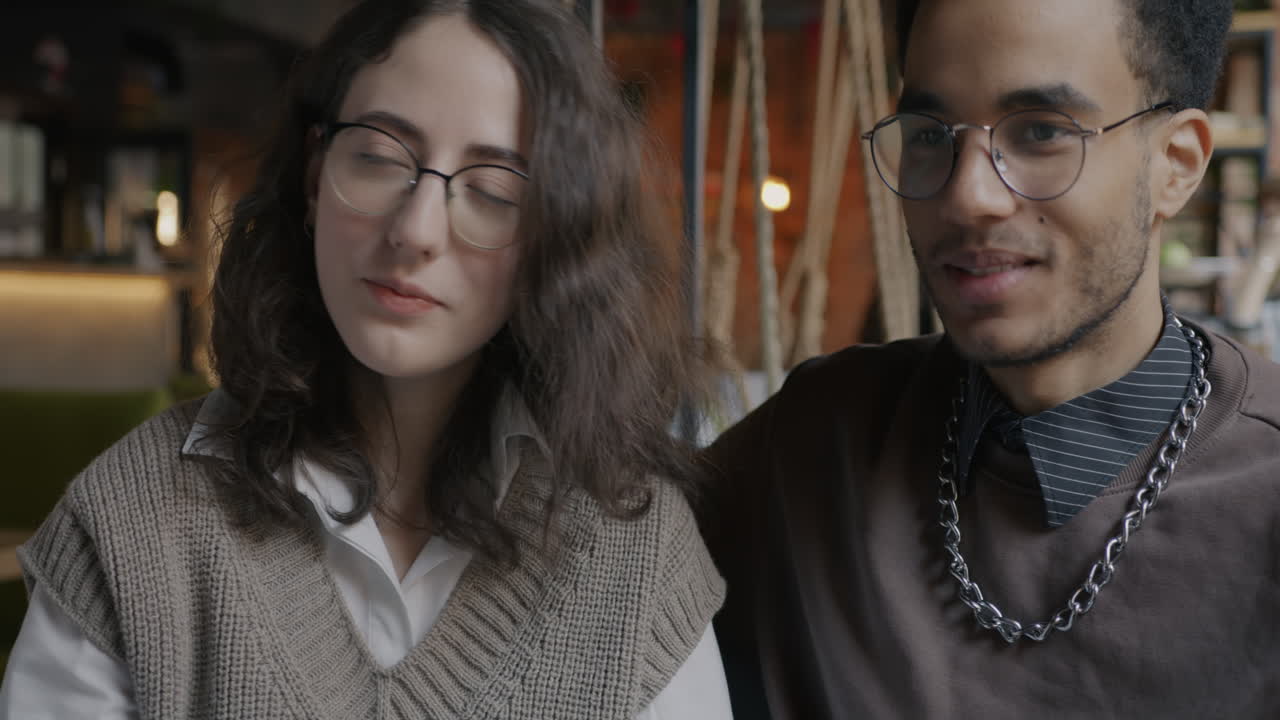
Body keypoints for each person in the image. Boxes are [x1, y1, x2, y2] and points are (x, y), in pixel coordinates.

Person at [0, 1, 733, 718]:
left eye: (492, 190)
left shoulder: (632, 551)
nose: (416, 230)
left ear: (555, 241)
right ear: (317, 175)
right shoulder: (131, 521)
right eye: (381, 157)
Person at [700, 0, 1280, 718]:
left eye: (1041, 131)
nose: (968, 195)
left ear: (1176, 165)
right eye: (930, 135)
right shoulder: (813, 447)